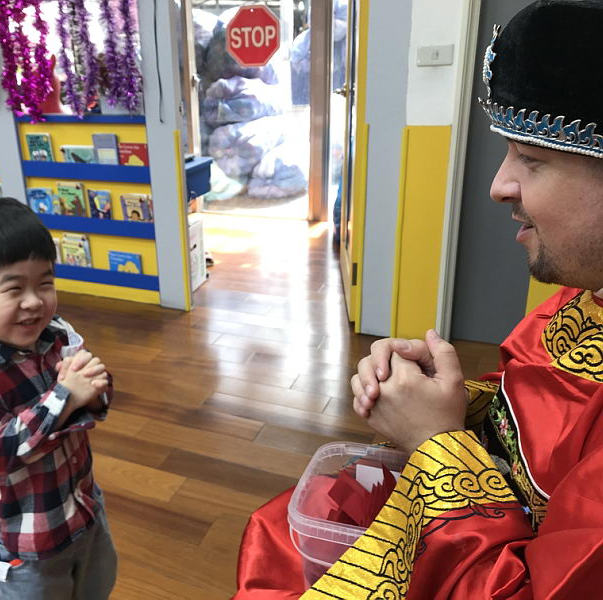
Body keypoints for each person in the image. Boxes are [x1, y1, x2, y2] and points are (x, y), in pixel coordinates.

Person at [234, 1, 603, 598]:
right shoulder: (581, 298)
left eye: (532, 159)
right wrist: (441, 396)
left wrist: (435, 441)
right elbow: (537, 417)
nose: (498, 185)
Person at [0, 198, 117, 599]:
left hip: (83, 507)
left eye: (44, 283)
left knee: (97, 587)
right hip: (25, 541)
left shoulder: (57, 333)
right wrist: (65, 397)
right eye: (14, 288)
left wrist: (93, 392)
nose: (34, 301)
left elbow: (94, 388)